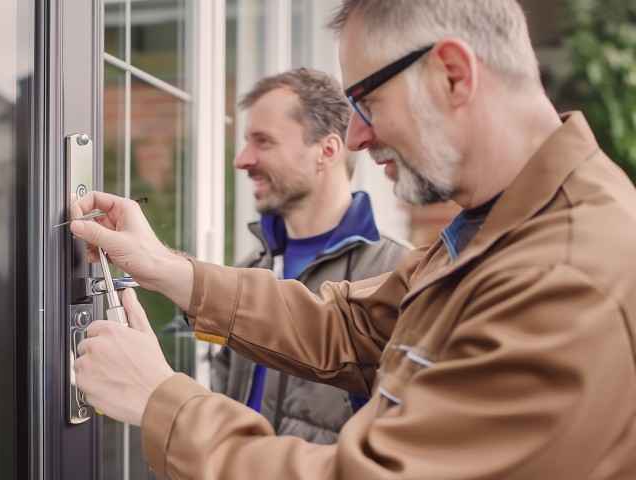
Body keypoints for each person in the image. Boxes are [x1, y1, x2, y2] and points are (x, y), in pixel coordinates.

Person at [72, 1, 636, 478]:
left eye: (366, 100)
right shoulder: (495, 226)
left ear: (453, 75)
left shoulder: (565, 277)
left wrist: (159, 401)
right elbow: (350, 327)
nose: (357, 137)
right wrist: (166, 268)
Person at [212, 68, 408, 443]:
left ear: (327, 151)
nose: (242, 159)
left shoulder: (395, 275)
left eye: (263, 142)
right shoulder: (248, 271)